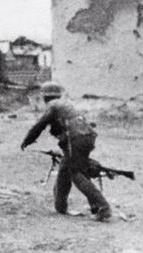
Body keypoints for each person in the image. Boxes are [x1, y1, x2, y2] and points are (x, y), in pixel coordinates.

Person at [20, 82, 111, 221]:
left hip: (75, 139)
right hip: (86, 137)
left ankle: (103, 207)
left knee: (76, 173)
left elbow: (40, 125)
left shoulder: (53, 105)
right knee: (64, 168)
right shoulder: (65, 105)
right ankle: (60, 206)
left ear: (45, 97)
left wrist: (27, 139)